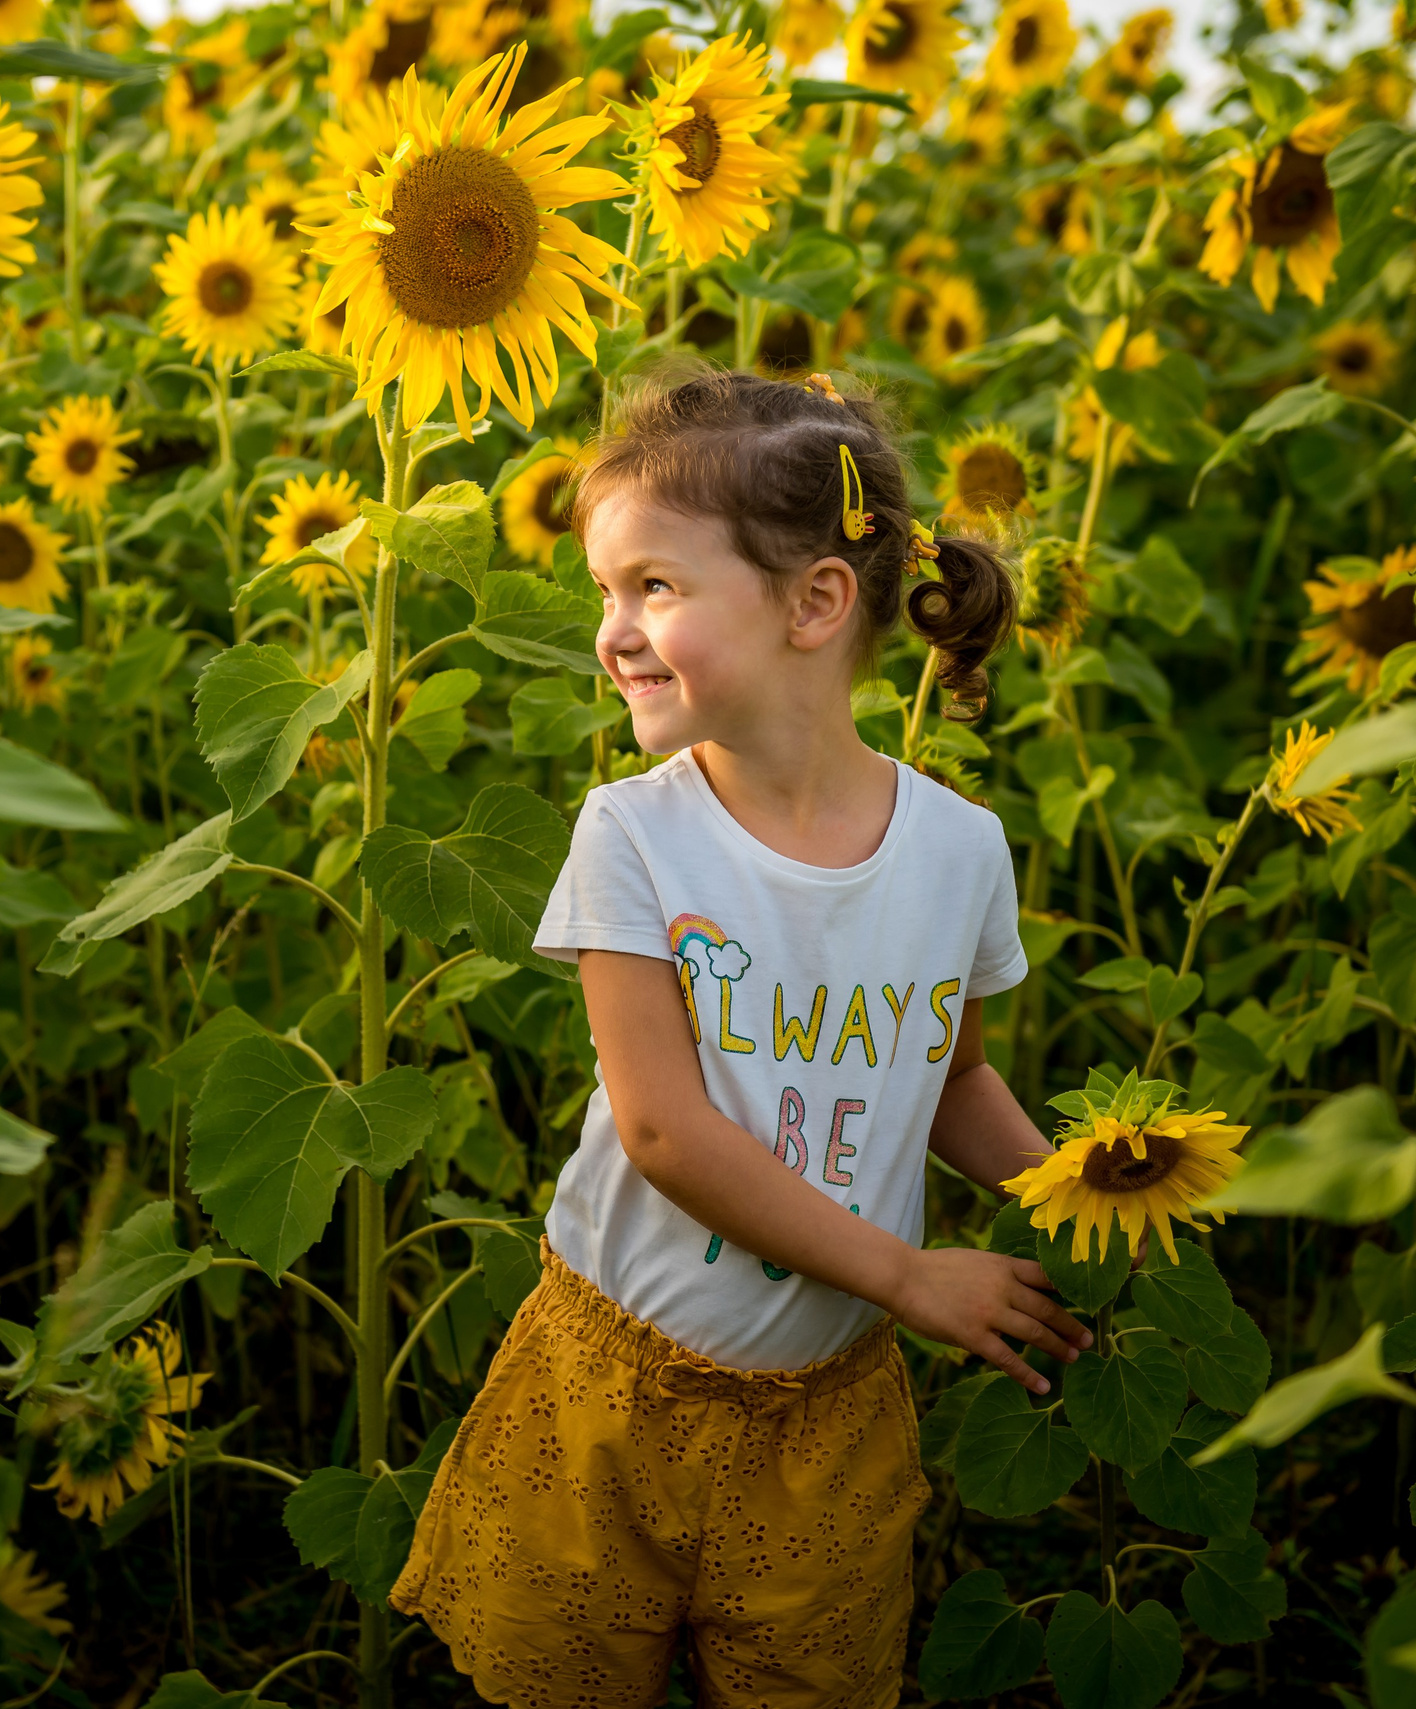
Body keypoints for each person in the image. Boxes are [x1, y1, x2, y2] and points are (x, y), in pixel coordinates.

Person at [389, 367, 1089, 1708]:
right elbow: (662, 1129)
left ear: (816, 600)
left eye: (653, 585)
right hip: (610, 1392)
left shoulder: (957, 850)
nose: (614, 629)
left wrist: (1086, 1211)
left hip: (829, 1415)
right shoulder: (635, 834)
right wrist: (907, 1274)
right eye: (607, 590)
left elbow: (956, 1079)